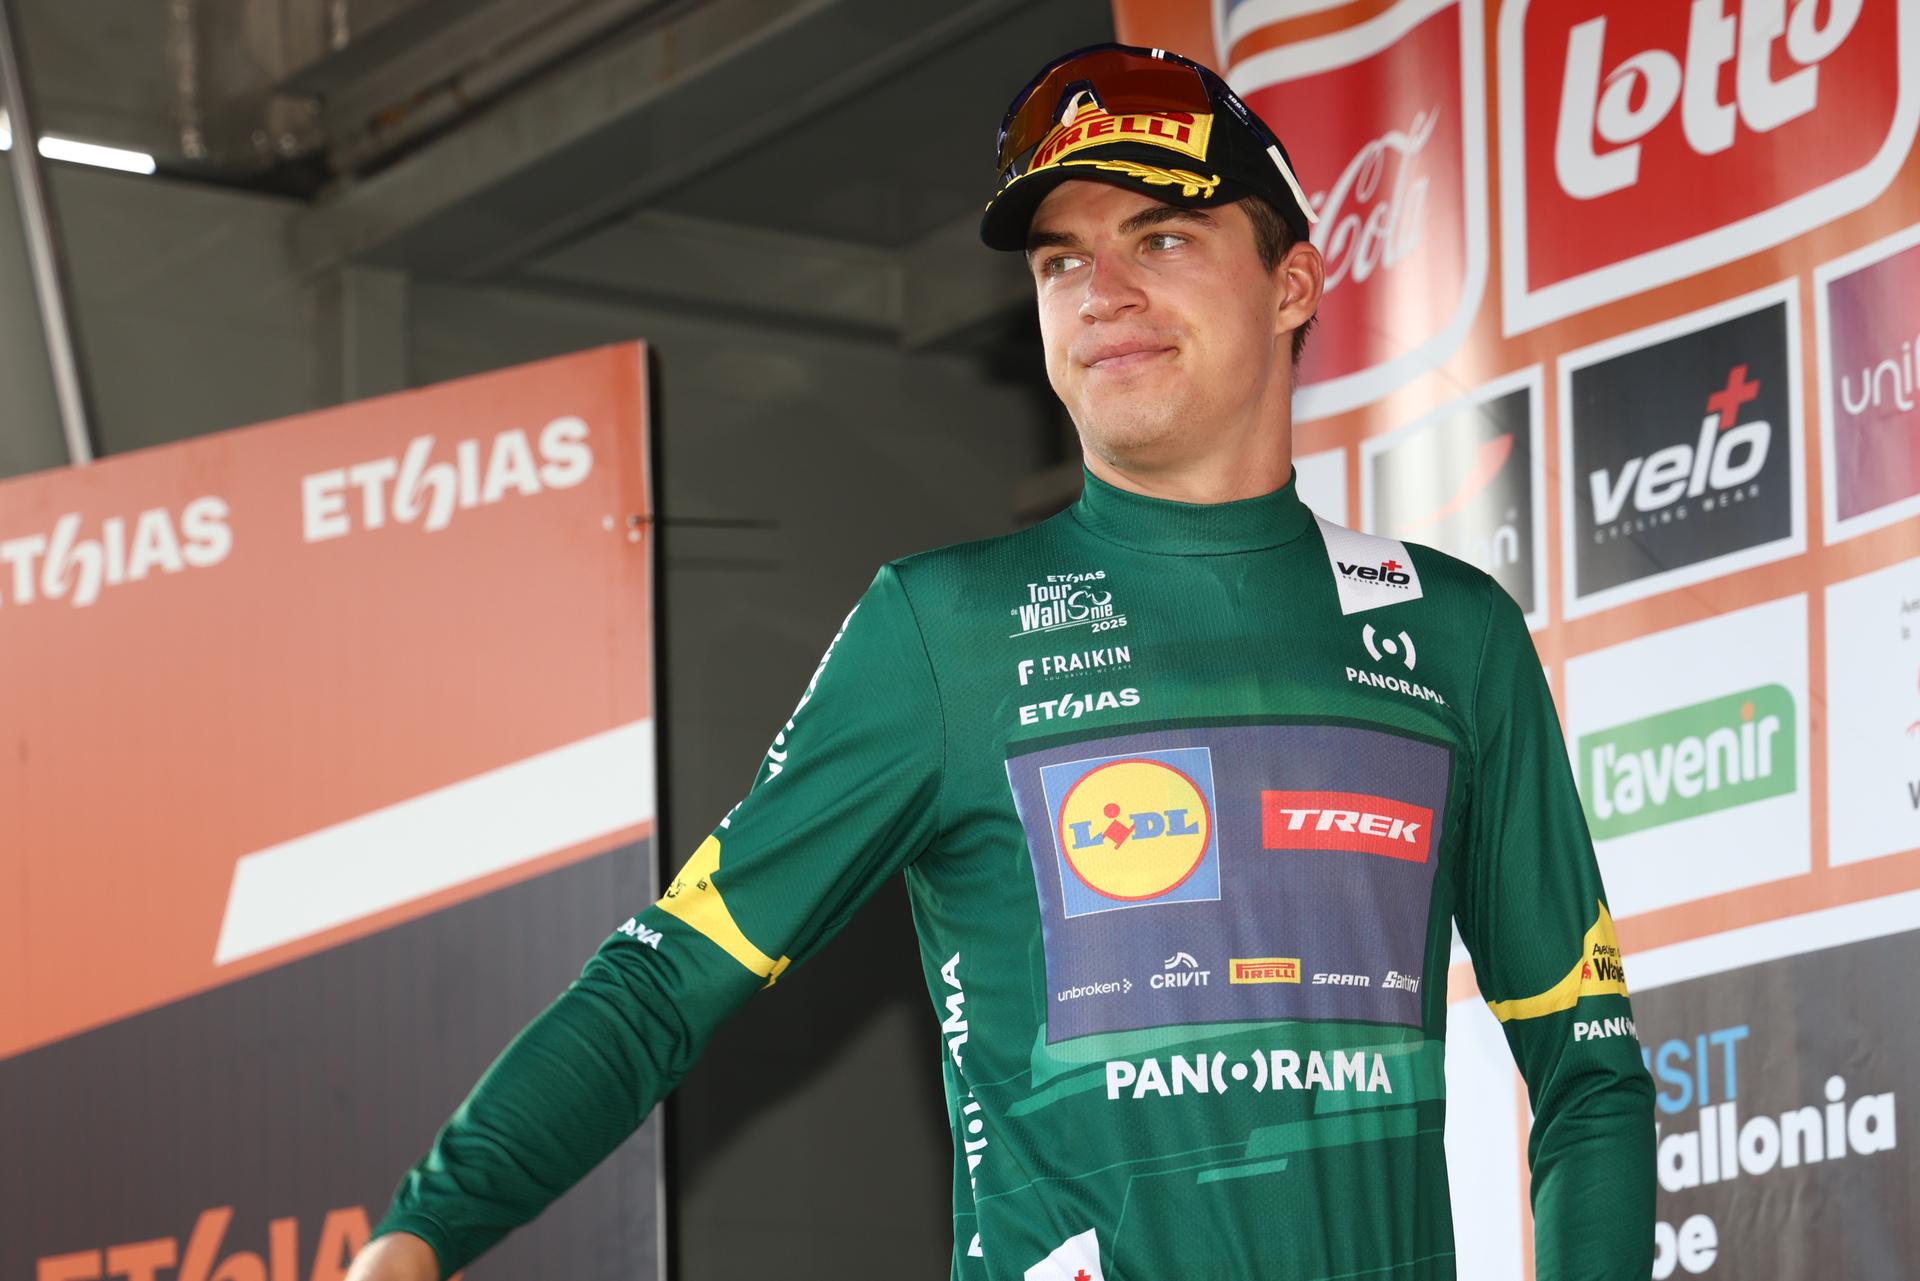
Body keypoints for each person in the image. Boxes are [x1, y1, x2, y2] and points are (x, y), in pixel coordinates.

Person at [346, 43, 1654, 1281]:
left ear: (1295, 283)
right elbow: (660, 982)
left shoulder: (1451, 630)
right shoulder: (944, 629)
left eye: (1164, 237)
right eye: (1060, 261)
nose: (1104, 294)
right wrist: (422, 1231)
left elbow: (1589, 1070)